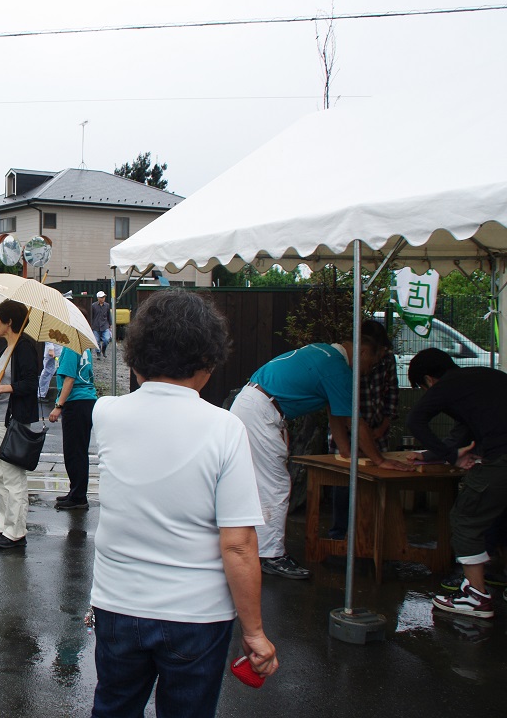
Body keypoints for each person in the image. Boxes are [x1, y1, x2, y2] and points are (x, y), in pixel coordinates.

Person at [91, 289, 277, 718]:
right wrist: (254, 632)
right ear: (208, 363)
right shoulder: (226, 429)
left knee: (114, 708)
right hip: (198, 614)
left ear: (136, 358)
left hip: (118, 605)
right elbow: (238, 545)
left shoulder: (107, 415)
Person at [229, 332, 413, 579]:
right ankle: (271, 556)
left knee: (260, 483)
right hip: (261, 411)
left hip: (254, 404)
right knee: (275, 485)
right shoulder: (336, 368)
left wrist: (346, 453)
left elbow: (335, 413)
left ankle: (256, 547)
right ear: (364, 352)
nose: (370, 369)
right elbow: (354, 421)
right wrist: (380, 460)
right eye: (374, 361)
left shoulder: (323, 353)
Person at [405, 348, 507, 619]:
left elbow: (415, 421)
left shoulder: (447, 385)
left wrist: (451, 456)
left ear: (429, 379)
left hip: (501, 458)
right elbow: (463, 434)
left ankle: (476, 597)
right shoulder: (485, 378)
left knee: (466, 520)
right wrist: (435, 454)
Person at [326, 319, 398, 538]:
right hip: (346, 431)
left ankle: (372, 534)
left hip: (376, 430)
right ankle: (340, 533)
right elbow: (338, 410)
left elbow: (391, 394)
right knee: (343, 484)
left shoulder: (387, 360)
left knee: (376, 483)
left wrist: (383, 426)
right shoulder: (342, 362)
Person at [0, 299, 41, 549]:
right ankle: (3, 525)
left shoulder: (24, 347)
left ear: (9, 322)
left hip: (13, 420)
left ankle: (16, 532)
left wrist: (2, 388)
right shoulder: (5, 349)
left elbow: (30, 384)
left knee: (13, 477)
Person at [48, 338, 98, 511]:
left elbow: (69, 379)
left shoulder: (70, 348)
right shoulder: (84, 347)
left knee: (73, 451)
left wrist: (58, 406)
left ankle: (78, 497)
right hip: (87, 400)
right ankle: (76, 491)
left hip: (76, 401)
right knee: (79, 450)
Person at [91, 291, 112, 358]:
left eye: (104, 297)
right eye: (101, 297)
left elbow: (109, 315)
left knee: (106, 339)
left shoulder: (107, 305)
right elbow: (92, 316)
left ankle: (103, 350)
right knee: (96, 341)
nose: (103, 299)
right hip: (95, 326)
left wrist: (110, 324)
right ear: (98, 298)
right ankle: (98, 352)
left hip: (104, 325)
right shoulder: (93, 306)